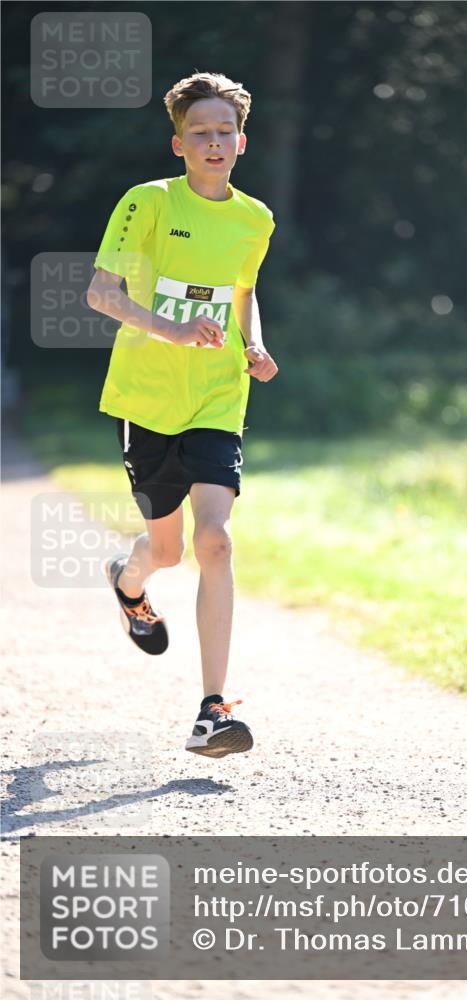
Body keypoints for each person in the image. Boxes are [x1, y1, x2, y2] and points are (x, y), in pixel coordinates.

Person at [87, 71, 277, 759]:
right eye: (200, 132)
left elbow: (242, 293)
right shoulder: (148, 204)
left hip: (218, 397)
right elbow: (102, 294)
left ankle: (211, 710)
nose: (214, 141)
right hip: (146, 398)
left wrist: (253, 341)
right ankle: (128, 583)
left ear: (242, 140)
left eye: (225, 130)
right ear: (178, 143)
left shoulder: (254, 218)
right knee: (163, 551)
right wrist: (166, 329)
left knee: (215, 541)